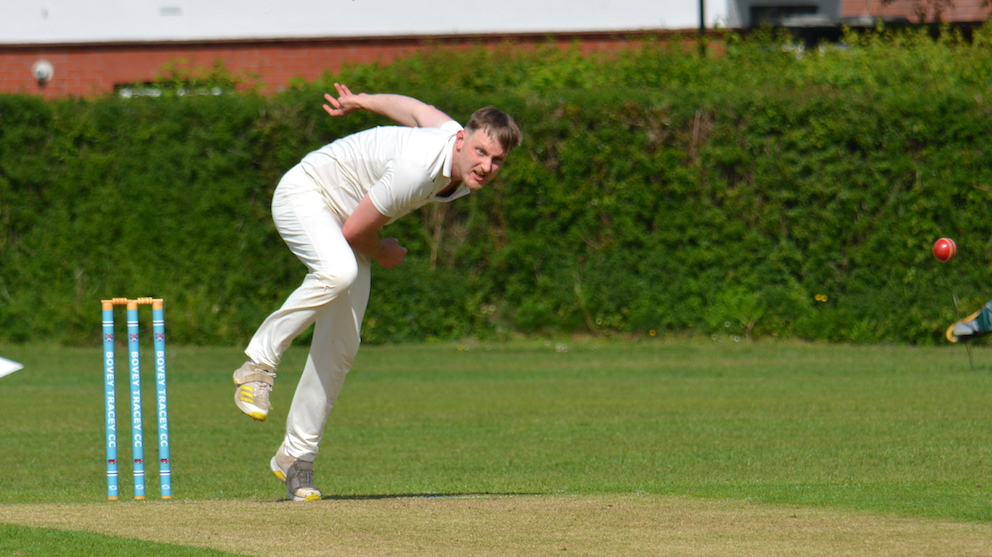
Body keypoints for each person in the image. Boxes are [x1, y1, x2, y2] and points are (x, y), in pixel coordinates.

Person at [232, 83, 522, 501]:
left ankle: (297, 458)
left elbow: (417, 107)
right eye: (480, 152)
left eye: (497, 160)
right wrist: (383, 252)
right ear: (462, 140)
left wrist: (363, 102)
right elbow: (356, 231)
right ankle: (258, 364)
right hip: (307, 194)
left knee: (342, 343)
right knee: (338, 271)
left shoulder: (454, 147)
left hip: (347, 219)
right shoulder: (418, 169)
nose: (486, 166)